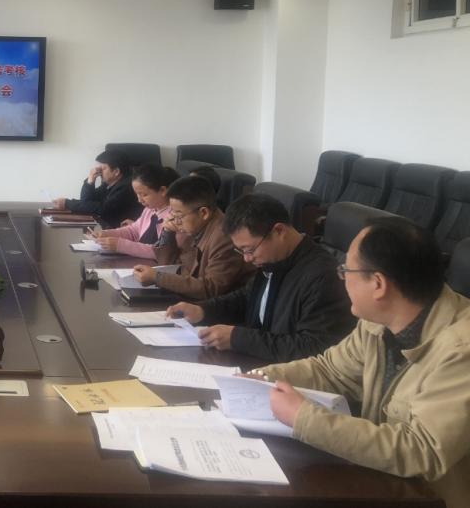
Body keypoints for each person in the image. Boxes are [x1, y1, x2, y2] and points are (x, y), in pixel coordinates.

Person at [257, 218, 470, 508]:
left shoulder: (461, 350)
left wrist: (304, 418)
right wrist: (262, 377)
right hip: (379, 482)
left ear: (378, 284)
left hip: (430, 499)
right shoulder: (378, 321)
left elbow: (422, 450)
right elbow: (330, 371)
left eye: (346, 270)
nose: (342, 278)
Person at [166, 193, 355, 362]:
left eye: (249, 250)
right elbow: (246, 298)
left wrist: (238, 339)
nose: (247, 259)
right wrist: (203, 310)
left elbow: (314, 349)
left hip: (288, 377)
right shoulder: (274, 258)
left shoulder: (323, 276)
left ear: (279, 231)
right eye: (241, 251)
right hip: (258, 362)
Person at [132, 175, 254, 299]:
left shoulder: (224, 238)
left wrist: (157, 277)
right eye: (172, 214)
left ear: (204, 213)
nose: (175, 221)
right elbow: (169, 264)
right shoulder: (195, 225)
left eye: (179, 216)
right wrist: (168, 232)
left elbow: (211, 288)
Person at [88, 164, 178, 259]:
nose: (139, 200)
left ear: (163, 190)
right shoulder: (149, 210)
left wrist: (121, 245)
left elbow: (161, 251)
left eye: (144, 195)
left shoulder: (175, 216)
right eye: (137, 195)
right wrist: (106, 233)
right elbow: (133, 231)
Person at [52, 149, 141, 228]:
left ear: (116, 171)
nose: (99, 172)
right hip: (108, 227)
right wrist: (90, 181)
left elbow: (104, 209)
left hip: (123, 232)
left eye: (102, 169)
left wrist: (67, 203)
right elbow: (87, 201)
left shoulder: (127, 186)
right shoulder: (108, 184)